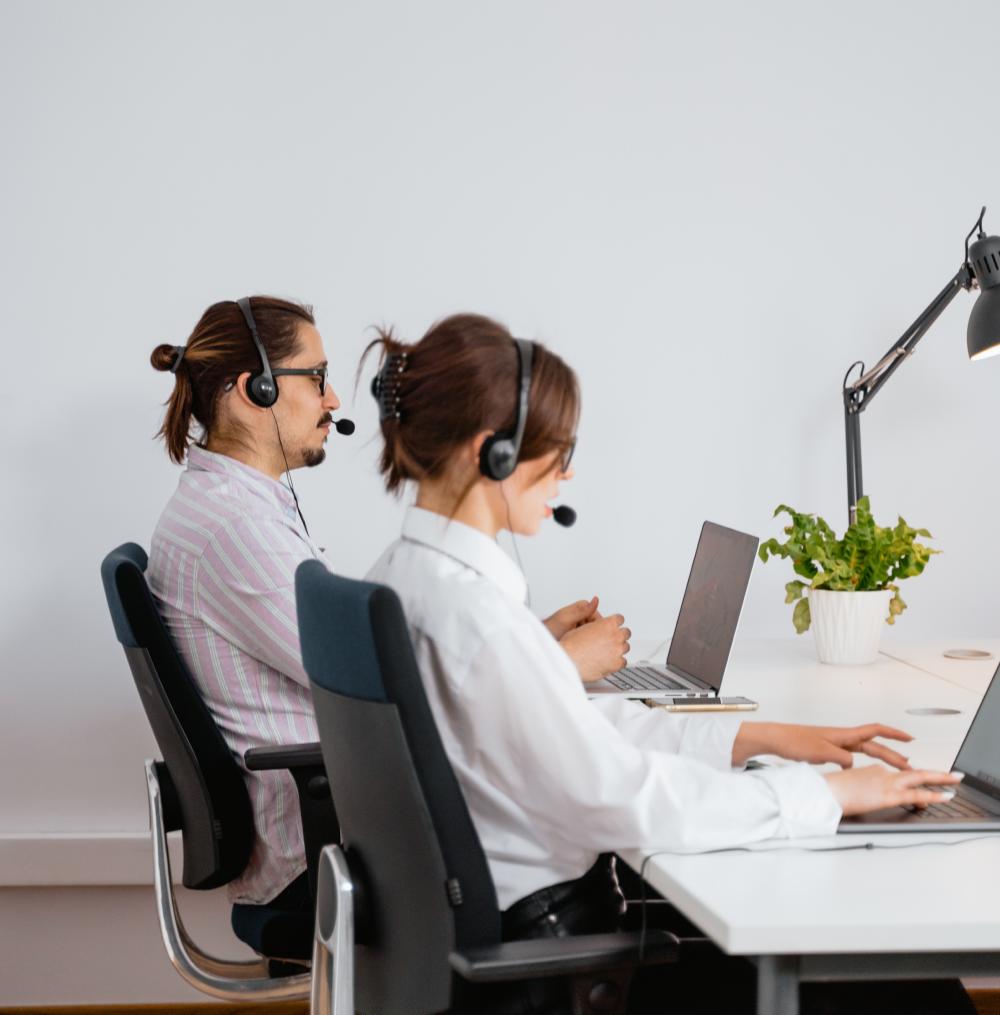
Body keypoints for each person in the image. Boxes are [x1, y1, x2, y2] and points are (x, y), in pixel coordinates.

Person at [362, 312, 972, 1014]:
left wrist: (756, 737)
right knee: (914, 990)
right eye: (556, 452)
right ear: (491, 454)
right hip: (565, 962)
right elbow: (624, 797)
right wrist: (827, 795)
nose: (568, 471)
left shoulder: (403, 579)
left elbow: (571, 723)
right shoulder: (476, 621)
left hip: (503, 939)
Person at [146, 296, 630, 916]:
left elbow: (372, 659)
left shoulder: (234, 505)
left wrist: (526, 639)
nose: (334, 400)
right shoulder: (235, 529)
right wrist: (559, 664)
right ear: (256, 389)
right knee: (586, 834)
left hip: (339, 810)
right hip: (326, 843)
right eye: (317, 378)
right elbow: (371, 682)